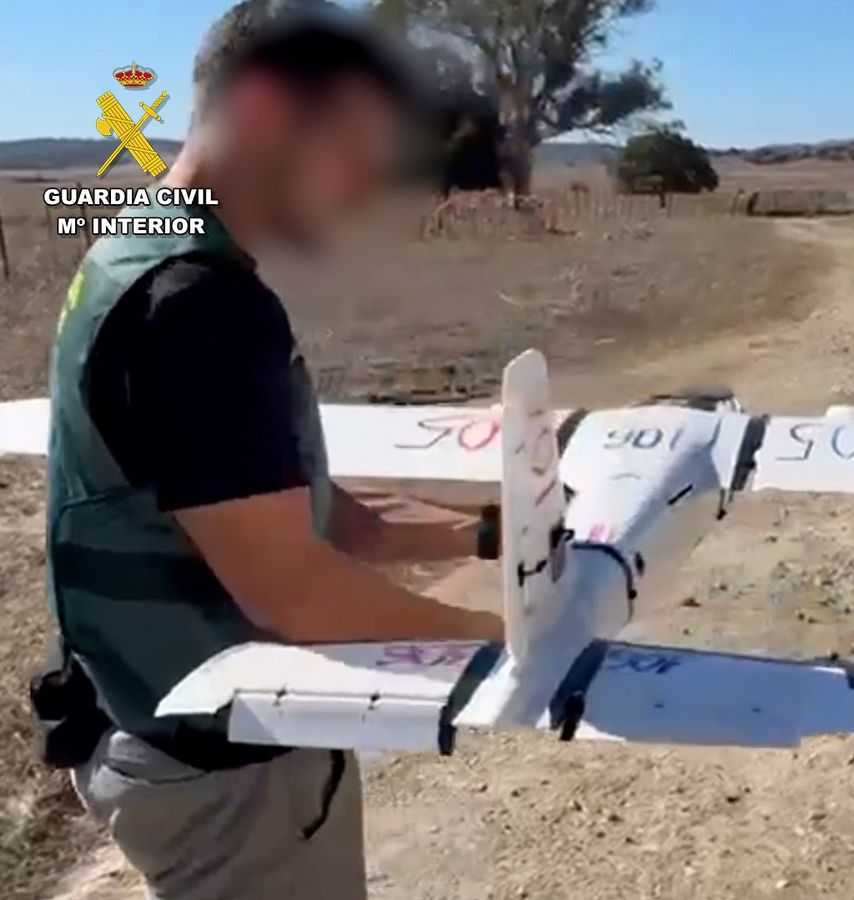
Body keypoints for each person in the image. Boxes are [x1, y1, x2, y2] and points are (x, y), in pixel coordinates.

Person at [35, 3, 503, 898]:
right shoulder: (201, 307)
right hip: (226, 770)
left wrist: (489, 532)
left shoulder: (135, 248)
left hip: (144, 715)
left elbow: (290, 511)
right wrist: (496, 645)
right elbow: (289, 587)